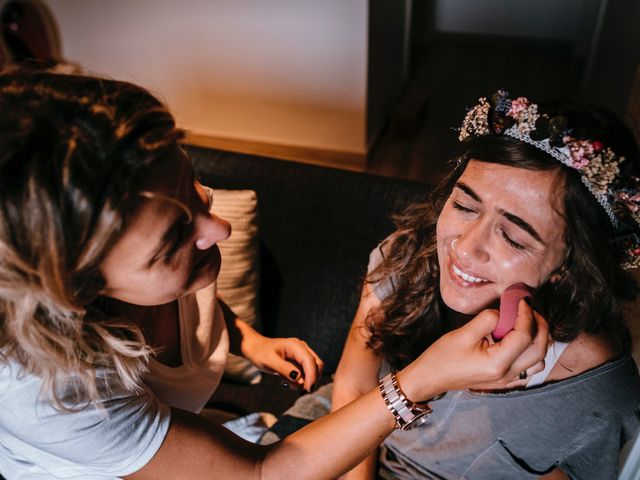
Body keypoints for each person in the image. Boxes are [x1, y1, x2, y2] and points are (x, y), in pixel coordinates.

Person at [0, 69, 546, 479]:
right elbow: (262, 475)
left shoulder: (172, 233)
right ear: (79, 291)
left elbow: (187, 296)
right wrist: (422, 379)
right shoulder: (54, 396)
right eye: (172, 240)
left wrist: (249, 340)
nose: (219, 229)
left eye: (190, 179)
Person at [261, 90, 640, 479]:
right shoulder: (404, 258)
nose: (465, 247)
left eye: (513, 237)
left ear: (572, 263)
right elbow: (354, 386)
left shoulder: (590, 387)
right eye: (464, 206)